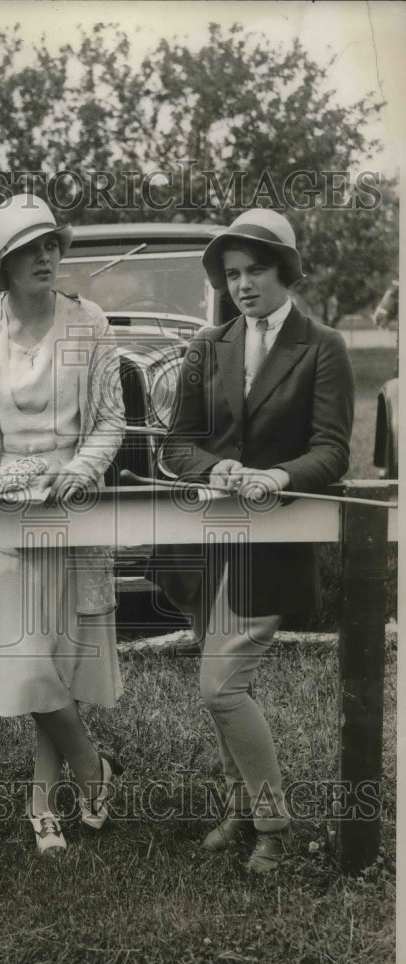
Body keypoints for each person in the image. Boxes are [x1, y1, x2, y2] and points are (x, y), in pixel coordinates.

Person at [157, 208, 354, 873]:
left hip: (272, 547)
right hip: (206, 545)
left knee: (219, 687)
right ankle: (243, 807)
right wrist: (214, 468)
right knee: (225, 686)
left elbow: (331, 452)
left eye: (255, 271)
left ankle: (271, 825)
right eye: (231, 274)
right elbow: (177, 445)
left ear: (286, 272)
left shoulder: (322, 344)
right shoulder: (205, 346)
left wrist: (277, 475)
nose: (241, 285)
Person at [0, 193, 126, 854]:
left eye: (51, 244)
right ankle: (91, 768)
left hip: (68, 509)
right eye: (29, 249)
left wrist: (79, 470)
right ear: (5, 263)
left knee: (57, 661)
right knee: (28, 664)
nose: (45, 257)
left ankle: (42, 806)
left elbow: (111, 419)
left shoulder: (89, 323)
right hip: (1, 514)